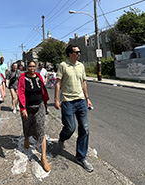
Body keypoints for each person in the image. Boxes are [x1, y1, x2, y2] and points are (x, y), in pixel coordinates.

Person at [54, 44, 94, 172]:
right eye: (77, 52)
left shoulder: (81, 66)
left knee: (85, 129)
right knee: (70, 128)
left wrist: (87, 98)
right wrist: (56, 99)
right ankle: (62, 138)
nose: (79, 54)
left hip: (81, 100)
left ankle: (81, 157)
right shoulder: (63, 66)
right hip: (67, 101)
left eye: (79, 52)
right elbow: (58, 83)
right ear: (70, 53)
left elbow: (83, 82)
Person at [18, 61, 50, 172]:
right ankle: (26, 137)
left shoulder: (39, 76)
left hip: (39, 106)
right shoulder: (23, 78)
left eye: (33, 66)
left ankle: (43, 158)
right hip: (27, 106)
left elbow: (43, 91)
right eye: (30, 66)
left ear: (36, 67)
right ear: (27, 67)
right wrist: (23, 108)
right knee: (27, 125)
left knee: (41, 129)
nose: (32, 68)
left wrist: (45, 104)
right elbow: (21, 93)